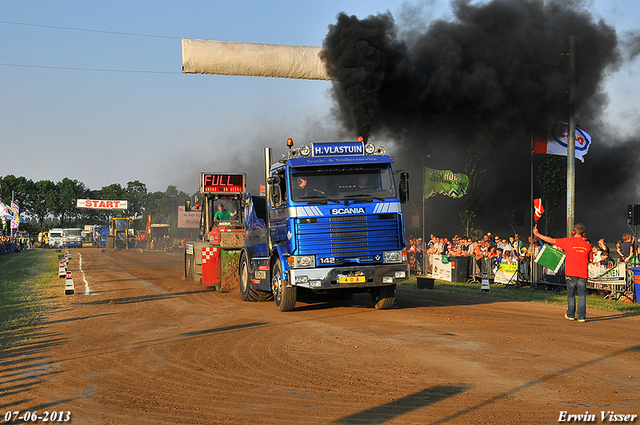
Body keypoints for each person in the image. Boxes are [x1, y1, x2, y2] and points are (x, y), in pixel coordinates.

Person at [533, 223, 592, 322]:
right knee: (582, 295)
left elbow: (551, 240)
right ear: (584, 234)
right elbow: (590, 260)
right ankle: (581, 317)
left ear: (573, 232)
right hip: (583, 273)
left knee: (571, 295)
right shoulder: (587, 245)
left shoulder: (567, 241)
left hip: (570, 273)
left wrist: (538, 234)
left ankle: (571, 314)